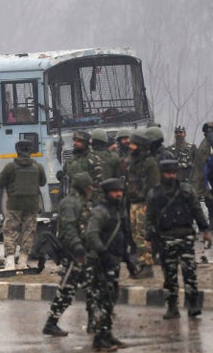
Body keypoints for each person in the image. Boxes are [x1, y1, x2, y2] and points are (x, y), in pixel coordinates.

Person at [146, 160, 211, 319]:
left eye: (174, 173)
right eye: (168, 173)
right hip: (166, 238)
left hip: (186, 236)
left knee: (189, 273)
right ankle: (172, 307)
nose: (171, 176)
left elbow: (197, 210)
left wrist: (205, 230)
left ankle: (193, 306)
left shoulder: (186, 190)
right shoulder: (154, 194)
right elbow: (150, 218)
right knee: (169, 275)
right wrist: (149, 239)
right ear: (162, 173)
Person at [42, 172, 94, 337]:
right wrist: (77, 246)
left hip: (84, 253)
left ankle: (94, 322)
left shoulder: (81, 202)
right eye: (89, 187)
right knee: (66, 290)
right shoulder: (70, 203)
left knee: (93, 288)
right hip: (73, 255)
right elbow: (69, 227)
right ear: (84, 188)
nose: (92, 189)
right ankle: (51, 324)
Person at [85, 178, 132, 352]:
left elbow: (123, 235)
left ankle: (107, 334)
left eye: (120, 191)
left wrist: (128, 260)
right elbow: (91, 236)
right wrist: (104, 254)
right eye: (114, 191)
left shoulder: (118, 210)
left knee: (111, 298)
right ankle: (99, 339)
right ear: (106, 193)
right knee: (102, 299)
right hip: (100, 262)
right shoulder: (100, 211)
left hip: (114, 261)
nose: (118, 194)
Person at [0, 139, 47, 270]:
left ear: (17, 151)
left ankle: (10, 262)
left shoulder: (10, 167)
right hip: (32, 205)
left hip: (14, 205)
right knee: (28, 232)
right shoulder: (38, 167)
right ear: (30, 151)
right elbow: (43, 182)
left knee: (10, 231)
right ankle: (22, 262)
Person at [125, 129, 159, 278]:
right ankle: (142, 262)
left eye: (133, 144)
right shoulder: (133, 161)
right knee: (135, 235)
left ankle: (147, 265)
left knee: (143, 235)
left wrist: (149, 204)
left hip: (144, 204)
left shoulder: (150, 162)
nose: (130, 146)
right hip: (133, 203)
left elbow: (153, 185)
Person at [87, 129, 121, 204]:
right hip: (110, 196)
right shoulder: (114, 157)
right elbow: (118, 177)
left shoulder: (87, 157)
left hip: (92, 198)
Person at [190, 122, 213, 225]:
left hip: (207, 179)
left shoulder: (205, 144)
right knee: (209, 202)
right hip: (207, 179)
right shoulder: (205, 144)